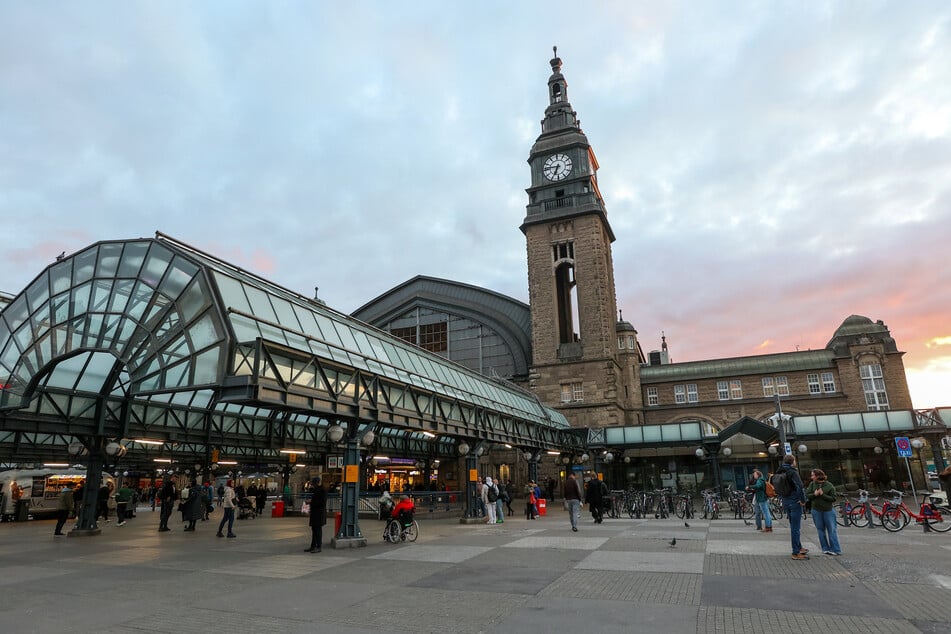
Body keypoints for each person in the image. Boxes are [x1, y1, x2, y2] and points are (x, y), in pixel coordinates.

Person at [777, 454, 809, 560]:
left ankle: (799, 547)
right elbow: (799, 486)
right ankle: (795, 552)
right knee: (795, 528)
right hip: (795, 501)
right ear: (792, 461)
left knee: (793, 526)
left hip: (785, 500)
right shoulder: (792, 472)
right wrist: (803, 500)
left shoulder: (779, 471)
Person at [805, 468, 841, 556]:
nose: (811, 477)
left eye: (813, 475)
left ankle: (835, 549)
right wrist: (814, 494)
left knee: (831, 530)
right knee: (820, 529)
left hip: (828, 510)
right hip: (816, 510)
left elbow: (833, 498)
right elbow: (808, 495)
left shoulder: (829, 485)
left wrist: (823, 495)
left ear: (817, 476)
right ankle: (825, 548)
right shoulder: (812, 484)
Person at [305, 477, 327, 553]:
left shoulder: (322, 490)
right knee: (314, 530)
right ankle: (313, 545)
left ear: (317, 483)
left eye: (313, 484)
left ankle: (318, 546)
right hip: (315, 513)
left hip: (319, 514)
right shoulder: (318, 490)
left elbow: (322, 503)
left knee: (318, 530)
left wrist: (311, 502)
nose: (313, 485)